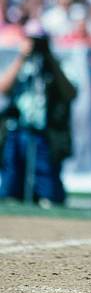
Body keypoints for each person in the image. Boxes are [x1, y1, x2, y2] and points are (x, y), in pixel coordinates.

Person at [0, 24, 77, 205]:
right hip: (19, 127)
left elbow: (70, 93)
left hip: (46, 131)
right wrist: (22, 57)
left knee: (47, 182)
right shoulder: (20, 63)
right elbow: (4, 88)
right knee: (11, 180)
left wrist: (50, 59)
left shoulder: (58, 64)